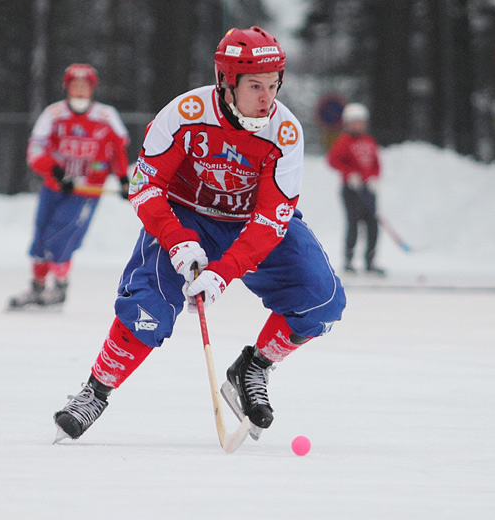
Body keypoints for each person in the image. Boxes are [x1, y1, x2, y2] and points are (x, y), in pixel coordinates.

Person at [52, 27, 346, 443]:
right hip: (187, 218)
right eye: (256, 86)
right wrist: (177, 238)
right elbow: (145, 186)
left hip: (249, 224)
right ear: (227, 82)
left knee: (324, 300)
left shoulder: (285, 133)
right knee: (148, 307)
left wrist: (223, 273)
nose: (268, 98)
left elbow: (270, 220)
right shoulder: (185, 114)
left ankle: (254, 367)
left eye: (275, 85)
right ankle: (95, 390)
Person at [9, 64, 130, 310]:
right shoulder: (53, 115)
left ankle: (60, 287)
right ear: (67, 87)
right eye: (75, 85)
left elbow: (118, 150)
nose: (79, 90)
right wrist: (54, 170)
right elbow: (35, 149)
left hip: (86, 192)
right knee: (41, 237)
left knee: (59, 237)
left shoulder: (106, 116)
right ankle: (38, 287)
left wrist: (123, 179)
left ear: (92, 89)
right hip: (55, 187)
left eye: (84, 86)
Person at [326, 103, 384, 275]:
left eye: (360, 122)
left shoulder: (369, 141)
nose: (358, 125)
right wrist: (349, 174)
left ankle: (370, 261)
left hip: (368, 190)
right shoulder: (344, 142)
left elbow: (376, 163)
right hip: (351, 190)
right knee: (353, 224)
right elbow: (333, 160)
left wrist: (374, 177)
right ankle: (349, 260)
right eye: (354, 122)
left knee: (372, 225)